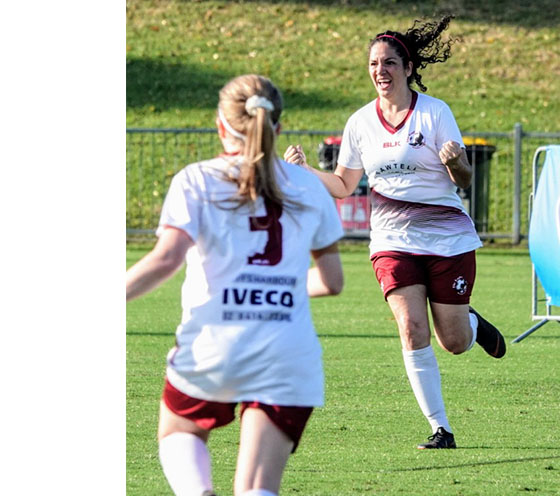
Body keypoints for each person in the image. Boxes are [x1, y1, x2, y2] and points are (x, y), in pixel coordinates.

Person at [284, 15, 506, 450]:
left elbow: (463, 179)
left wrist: (456, 161)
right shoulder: (360, 123)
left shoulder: (435, 112)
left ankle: (472, 324)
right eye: (373, 64)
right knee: (411, 327)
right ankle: (441, 428)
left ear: (407, 68)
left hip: (447, 239)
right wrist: (305, 171)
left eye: (388, 63)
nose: (380, 71)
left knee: (453, 341)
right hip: (392, 241)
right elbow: (343, 185)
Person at [127, 74, 345, 496]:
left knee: (178, 431)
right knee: (257, 487)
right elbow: (332, 281)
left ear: (220, 124)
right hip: (287, 351)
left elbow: (166, 259)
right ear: (278, 127)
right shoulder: (309, 186)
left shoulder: (196, 179)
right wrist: (277, 286)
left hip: (214, 344)